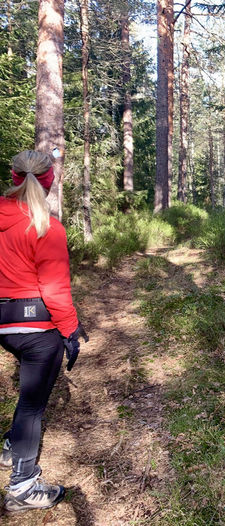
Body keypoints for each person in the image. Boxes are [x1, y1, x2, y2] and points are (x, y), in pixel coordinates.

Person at [0, 150, 87, 513]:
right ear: (49, 180)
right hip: (37, 326)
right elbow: (53, 289)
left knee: (27, 400)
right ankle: (22, 486)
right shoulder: (47, 227)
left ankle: (10, 448)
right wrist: (70, 331)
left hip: (4, 325)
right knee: (32, 405)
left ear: (13, 175)